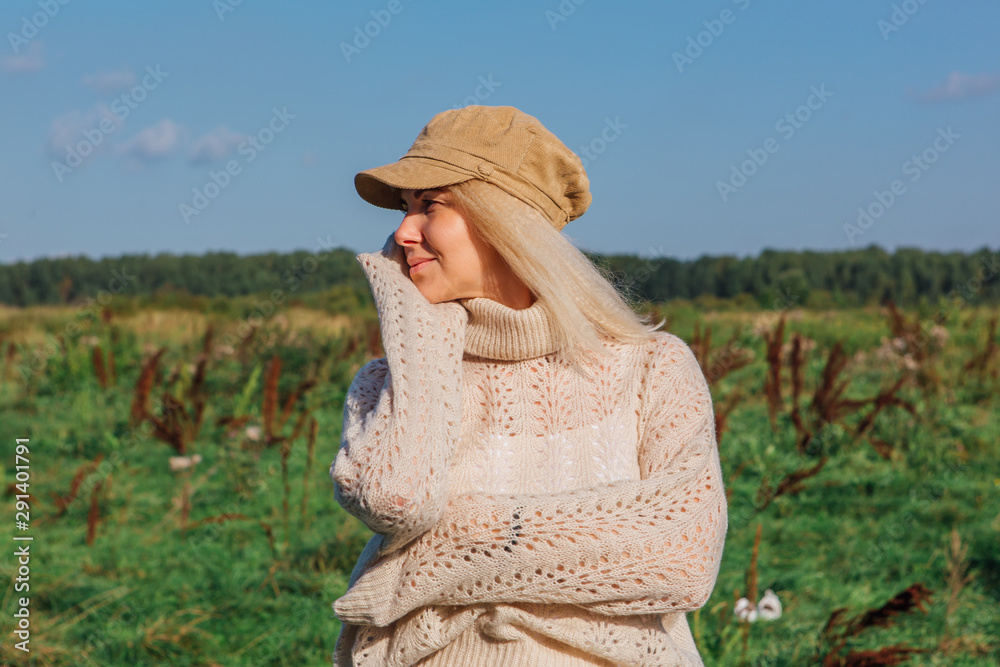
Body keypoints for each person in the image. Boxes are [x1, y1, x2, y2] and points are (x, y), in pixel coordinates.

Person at [330, 105, 728, 667]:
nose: (401, 232)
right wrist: (414, 329)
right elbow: (398, 502)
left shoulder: (652, 369)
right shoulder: (385, 386)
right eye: (403, 208)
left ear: (502, 221)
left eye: (430, 205)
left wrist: (438, 549)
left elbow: (681, 552)